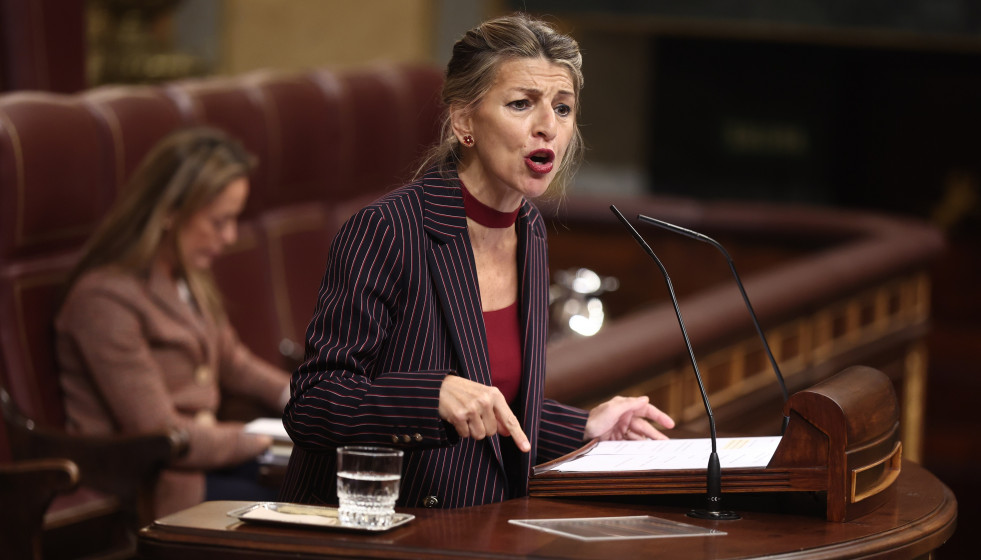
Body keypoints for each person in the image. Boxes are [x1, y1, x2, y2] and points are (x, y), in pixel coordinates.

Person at [280, 13, 675, 509]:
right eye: (520, 104)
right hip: (382, 527)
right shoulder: (389, 230)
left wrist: (584, 425)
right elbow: (313, 404)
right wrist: (431, 397)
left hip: (483, 524)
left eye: (562, 107)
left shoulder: (528, 229)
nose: (547, 127)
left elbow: (493, 405)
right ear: (464, 120)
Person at [55, 126, 291, 517]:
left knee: (325, 481)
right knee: (301, 504)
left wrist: (300, 398)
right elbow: (160, 430)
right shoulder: (104, 298)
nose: (231, 236)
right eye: (219, 221)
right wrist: (262, 438)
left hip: (204, 459)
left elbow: (233, 361)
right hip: (157, 480)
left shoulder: (186, 276)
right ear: (168, 213)